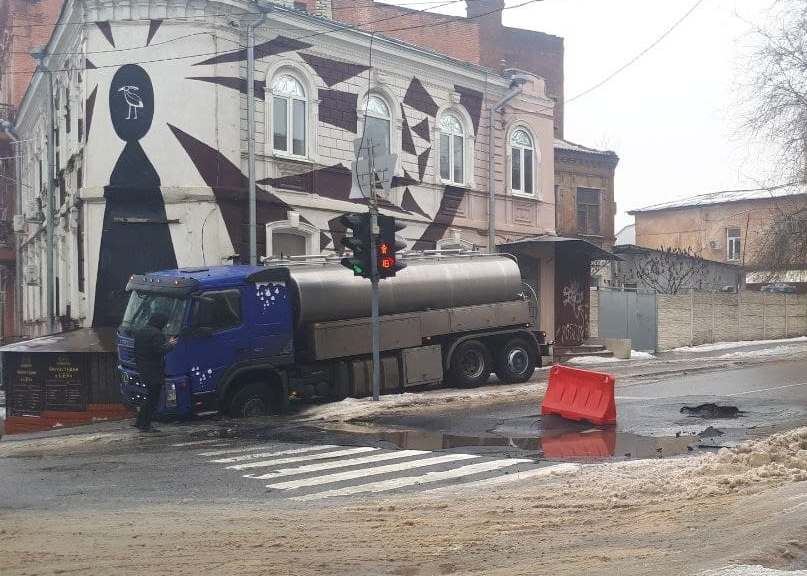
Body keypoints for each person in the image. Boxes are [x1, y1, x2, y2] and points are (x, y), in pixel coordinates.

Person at [133, 312, 177, 432]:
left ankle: (139, 421)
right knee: (153, 399)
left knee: (149, 397)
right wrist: (171, 345)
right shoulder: (156, 334)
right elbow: (159, 350)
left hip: (143, 369)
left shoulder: (141, 331)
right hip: (154, 371)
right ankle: (146, 424)